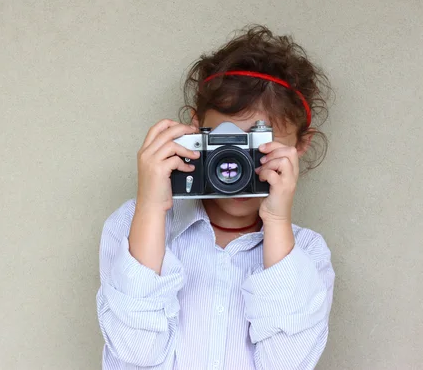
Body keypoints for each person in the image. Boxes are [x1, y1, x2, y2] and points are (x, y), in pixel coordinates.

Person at [96, 25, 335, 370]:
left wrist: (278, 222)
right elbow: (136, 351)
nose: (234, 167)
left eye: (257, 148)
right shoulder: (134, 225)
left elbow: (287, 363)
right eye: (225, 145)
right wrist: (151, 206)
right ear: (196, 132)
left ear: (299, 146)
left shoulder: (308, 253)